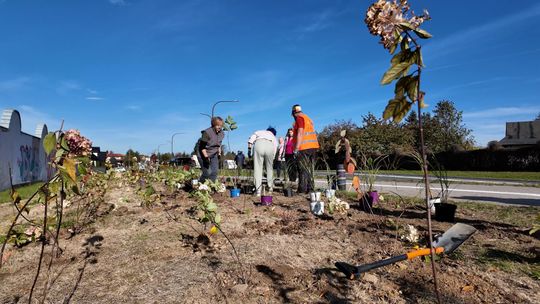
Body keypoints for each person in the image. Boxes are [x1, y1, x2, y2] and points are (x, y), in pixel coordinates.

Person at [291, 104, 319, 194]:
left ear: (294, 112)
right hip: (313, 147)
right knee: (310, 169)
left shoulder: (299, 118)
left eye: (293, 115)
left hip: (304, 147)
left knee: (302, 169)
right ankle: (311, 189)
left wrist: (296, 148)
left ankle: (302, 190)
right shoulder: (308, 118)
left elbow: (300, 133)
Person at [248, 127, 278, 196]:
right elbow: (275, 146)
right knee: (269, 168)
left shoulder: (259, 131)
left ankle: (258, 191)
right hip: (270, 145)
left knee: (258, 168)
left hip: (259, 144)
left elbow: (251, 139)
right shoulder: (273, 136)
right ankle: (270, 189)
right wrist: (273, 157)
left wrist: (249, 149)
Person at [196, 116, 225, 182]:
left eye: (221, 125)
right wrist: (206, 158)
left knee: (214, 172)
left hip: (213, 154)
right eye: (217, 125)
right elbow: (202, 147)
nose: (219, 127)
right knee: (207, 172)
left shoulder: (222, 133)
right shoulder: (207, 133)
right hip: (203, 154)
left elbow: (219, 144)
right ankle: (200, 184)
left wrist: (219, 153)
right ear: (213, 125)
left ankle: (211, 186)